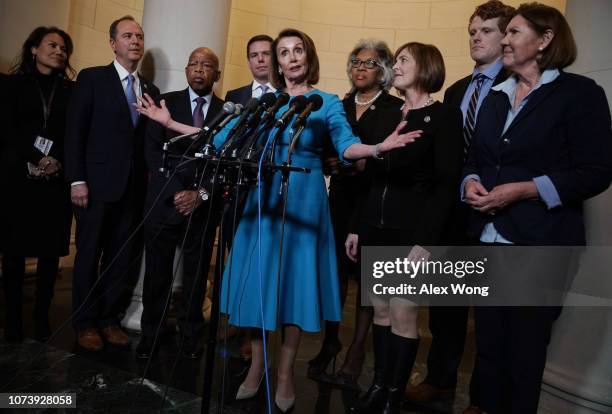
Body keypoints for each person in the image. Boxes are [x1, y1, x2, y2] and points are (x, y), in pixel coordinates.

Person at [136, 28, 421, 414]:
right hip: (262, 201)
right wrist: (169, 123)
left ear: (308, 56)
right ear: (277, 62)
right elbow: (218, 139)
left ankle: (284, 373)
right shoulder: (266, 104)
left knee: (291, 292)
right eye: (283, 52)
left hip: (304, 204)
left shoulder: (327, 102)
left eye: (298, 49)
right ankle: (256, 367)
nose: (291, 57)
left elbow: (345, 145)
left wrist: (377, 147)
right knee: (259, 288)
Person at [461, 3, 612, 413]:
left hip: (543, 243)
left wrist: (527, 189)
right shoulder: (496, 96)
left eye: (513, 32)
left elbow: (596, 171)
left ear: (545, 40)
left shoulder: (580, 95)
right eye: (504, 32)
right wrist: (470, 182)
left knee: (524, 356)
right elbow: (475, 158)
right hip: (487, 238)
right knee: (488, 350)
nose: (504, 41)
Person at [405, 1, 515, 411]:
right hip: (450, 211)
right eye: (472, 31)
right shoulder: (455, 90)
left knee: (489, 316)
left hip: (494, 210)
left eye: (485, 30)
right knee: (445, 308)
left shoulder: (517, 81)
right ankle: (440, 380)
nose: (475, 37)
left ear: (507, 36)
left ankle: (484, 399)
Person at [347, 42, 463, 414]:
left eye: (402, 60)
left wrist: (425, 242)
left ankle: (394, 396)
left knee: (402, 312)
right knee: (380, 310)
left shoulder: (443, 117)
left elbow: (446, 186)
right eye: (394, 60)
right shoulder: (386, 114)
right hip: (376, 227)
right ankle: (380, 385)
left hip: (411, 234)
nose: (394, 66)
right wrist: (356, 228)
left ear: (425, 66)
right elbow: (368, 180)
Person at [308, 39, 404, 390]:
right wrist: (332, 163)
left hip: (374, 201)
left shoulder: (397, 108)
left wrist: (362, 163)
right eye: (355, 62)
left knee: (369, 281)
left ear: (384, 71)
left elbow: (395, 160)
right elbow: (320, 150)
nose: (360, 68)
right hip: (340, 200)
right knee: (335, 275)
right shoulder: (339, 104)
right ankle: (330, 340)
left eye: (369, 63)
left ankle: (357, 349)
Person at [65, 15, 160, 351]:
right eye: (128, 35)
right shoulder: (92, 79)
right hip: (94, 186)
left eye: (139, 36)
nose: (135, 41)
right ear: (113, 43)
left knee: (121, 258)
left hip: (133, 190)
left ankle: (108, 320)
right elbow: (75, 132)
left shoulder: (150, 90)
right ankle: (85, 323)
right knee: (89, 254)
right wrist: (77, 180)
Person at [135, 47, 224, 359]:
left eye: (207, 65)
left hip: (202, 207)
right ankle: (152, 333)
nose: (199, 70)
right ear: (187, 70)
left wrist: (200, 194)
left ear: (217, 74)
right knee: (157, 274)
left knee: (196, 277)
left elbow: (224, 163)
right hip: (164, 203)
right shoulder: (165, 103)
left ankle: (190, 337)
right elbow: (153, 152)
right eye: (194, 64)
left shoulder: (228, 113)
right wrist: (177, 192)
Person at [0, 27, 75, 342]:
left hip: (55, 182)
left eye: (64, 48)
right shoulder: (11, 85)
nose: (59, 51)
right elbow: (7, 130)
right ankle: (13, 321)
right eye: (52, 45)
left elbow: (74, 132)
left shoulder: (72, 90)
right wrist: (37, 158)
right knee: (14, 254)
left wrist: (54, 160)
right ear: (33, 49)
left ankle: (42, 319)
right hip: (18, 178)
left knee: (49, 254)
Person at [224, 34, 275, 105]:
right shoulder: (233, 96)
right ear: (249, 63)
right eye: (254, 55)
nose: (260, 59)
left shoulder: (289, 93)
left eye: (266, 53)